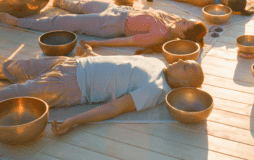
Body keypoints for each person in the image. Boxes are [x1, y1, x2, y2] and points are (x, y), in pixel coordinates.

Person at [0, 42, 204, 136]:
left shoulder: (155, 90)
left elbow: (115, 108)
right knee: (13, 67)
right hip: (74, 63)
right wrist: (91, 56)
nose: (179, 60)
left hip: (72, 86)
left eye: (185, 66)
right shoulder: (158, 63)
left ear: (185, 85)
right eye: (184, 60)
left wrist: (73, 120)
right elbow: (119, 65)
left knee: (14, 93)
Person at [0, 0, 207, 54]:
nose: (183, 21)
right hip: (120, 10)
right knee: (84, 4)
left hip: (109, 25)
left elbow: (127, 42)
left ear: (181, 35)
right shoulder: (174, 19)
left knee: (63, 21)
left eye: (186, 25)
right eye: (187, 20)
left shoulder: (160, 35)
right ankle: (61, 1)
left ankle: (18, 22)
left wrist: (98, 43)